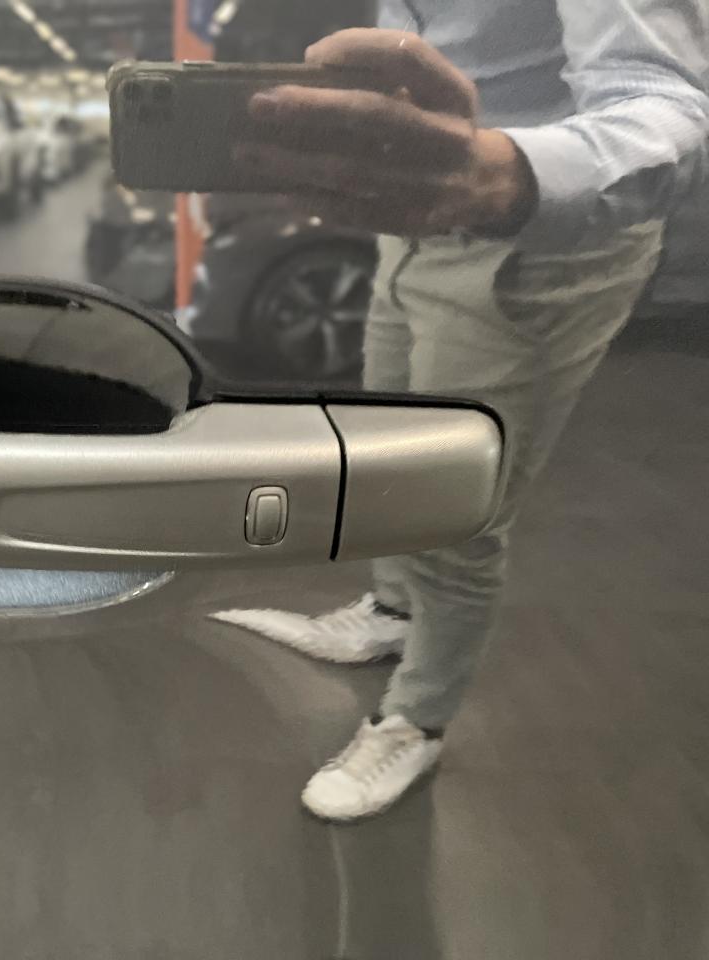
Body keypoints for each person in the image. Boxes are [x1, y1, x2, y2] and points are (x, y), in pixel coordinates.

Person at [212, 1, 709, 822]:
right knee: (384, 452)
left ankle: (418, 718)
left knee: (457, 505)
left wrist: (500, 174)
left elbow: (668, 104)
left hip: (537, 240)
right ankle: (393, 613)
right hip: (417, 216)